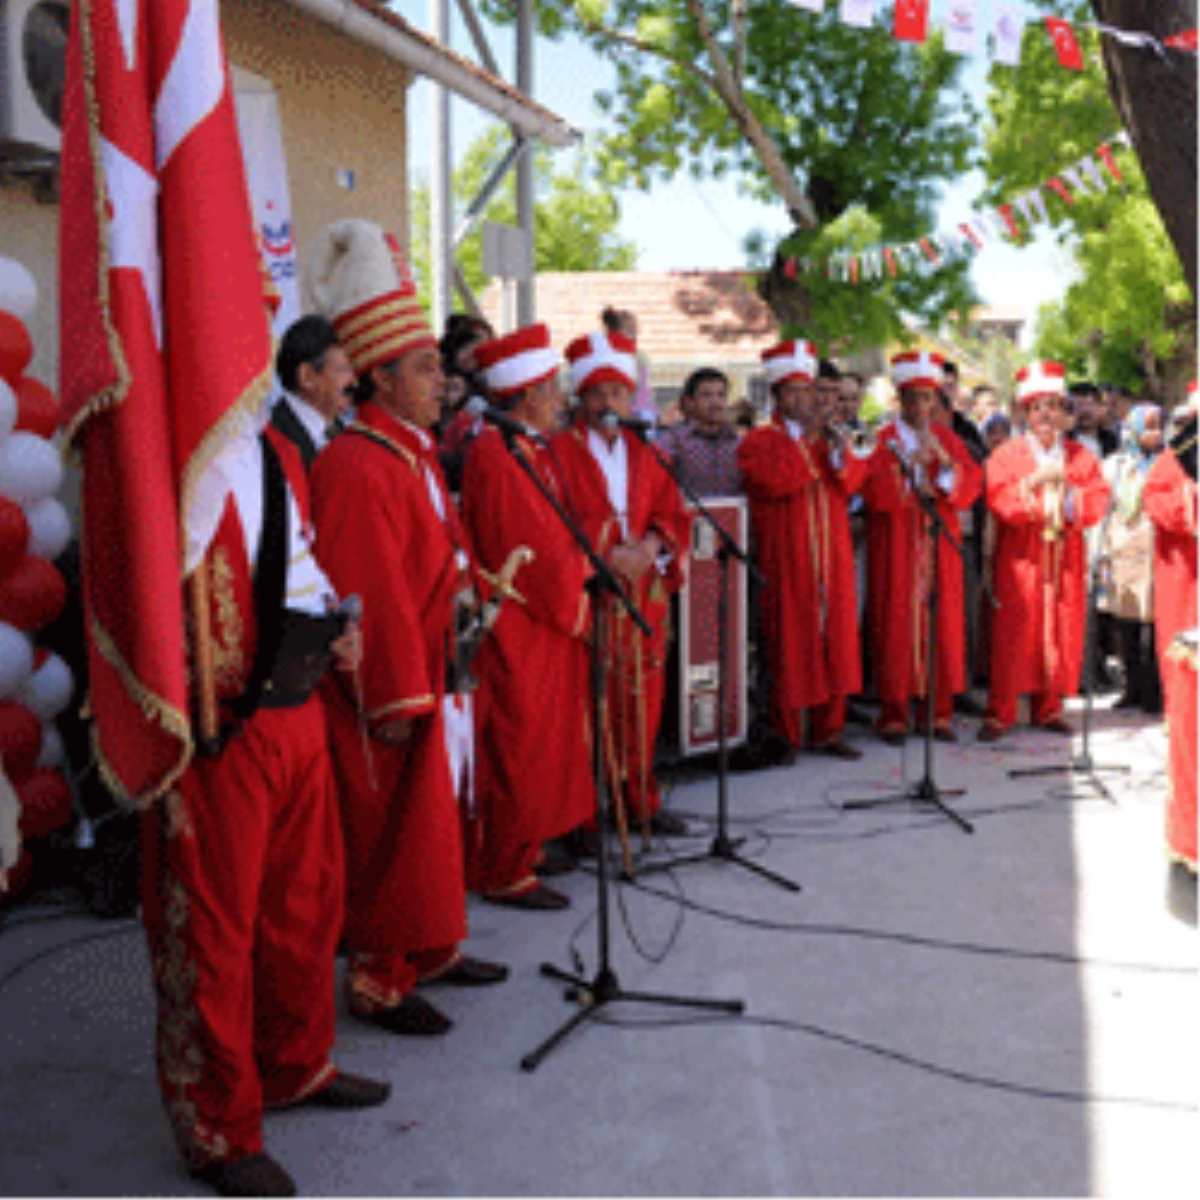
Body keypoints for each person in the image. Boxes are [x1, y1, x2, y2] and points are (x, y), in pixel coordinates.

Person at [143, 420, 391, 1200]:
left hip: (297, 699)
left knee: (305, 902)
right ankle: (219, 1124)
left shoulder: (279, 450)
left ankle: (295, 1062)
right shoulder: (165, 448)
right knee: (215, 927)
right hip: (218, 722)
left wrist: (341, 626)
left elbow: (299, 560)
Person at [308, 220, 508, 1041]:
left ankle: (431, 946)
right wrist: (392, 692)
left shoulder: (415, 451)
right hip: (396, 681)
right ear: (381, 379)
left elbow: (439, 554)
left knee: (433, 822)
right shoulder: (357, 462)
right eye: (426, 369)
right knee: (389, 830)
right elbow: (370, 590)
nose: (444, 382)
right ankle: (381, 979)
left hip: (439, 664)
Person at [458, 324, 592, 909]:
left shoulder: (529, 447)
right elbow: (532, 543)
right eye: (553, 388)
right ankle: (504, 865)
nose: (561, 398)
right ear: (529, 394)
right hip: (520, 619)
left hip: (539, 618)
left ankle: (529, 845)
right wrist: (578, 579)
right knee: (519, 743)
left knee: (542, 742)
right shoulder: (496, 452)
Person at [550, 328, 691, 835]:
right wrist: (609, 555)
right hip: (592, 596)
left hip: (643, 595)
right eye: (600, 393)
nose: (610, 402)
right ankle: (587, 814)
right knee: (591, 707)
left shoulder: (647, 450)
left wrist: (650, 548)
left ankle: (640, 800)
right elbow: (555, 521)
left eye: (618, 393)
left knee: (644, 703)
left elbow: (671, 512)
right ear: (581, 397)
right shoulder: (559, 452)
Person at [737, 345, 866, 761]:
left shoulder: (828, 438)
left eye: (806, 391)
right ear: (776, 396)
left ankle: (830, 730)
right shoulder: (760, 440)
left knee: (836, 640)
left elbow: (848, 482)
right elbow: (774, 483)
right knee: (790, 644)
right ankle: (787, 733)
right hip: (787, 560)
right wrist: (807, 445)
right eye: (792, 392)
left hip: (833, 557)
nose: (803, 400)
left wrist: (830, 447)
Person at [979, 362, 1111, 741]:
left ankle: (1048, 707)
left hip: (1064, 557)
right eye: (1038, 407)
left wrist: (1068, 491)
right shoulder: (1007, 454)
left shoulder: (1079, 455)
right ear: (1024, 411)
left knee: (1058, 631)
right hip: (1021, 558)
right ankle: (1000, 711)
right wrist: (1034, 484)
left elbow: (1098, 501)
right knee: (1014, 633)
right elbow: (1000, 501)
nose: (1046, 415)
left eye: (1054, 406)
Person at [860, 351, 982, 744]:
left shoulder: (947, 438)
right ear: (899, 399)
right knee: (896, 625)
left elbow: (969, 485)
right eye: (912, 398)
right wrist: (907, 471)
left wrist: (944, 465)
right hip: (895, 546)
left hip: (937, 545)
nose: (919, 406)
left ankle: (938, 712)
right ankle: (895, 713)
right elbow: (872, 493)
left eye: (927, 398)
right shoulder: (883, 440)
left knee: (942, 624)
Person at [1099, 402, 1164, 713]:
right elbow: (1104, 509)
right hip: (1122, 549)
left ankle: (1153, 690)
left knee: (1153, 623)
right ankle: (1131, 688)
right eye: (1148, 427)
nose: (1155, 433)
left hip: (1154, 549)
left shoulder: (1168, 463)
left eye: (1158, 426)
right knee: (1125, 624)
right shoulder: (1115, 464)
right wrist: (1101, 553)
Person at [1143, 381, 1200, 693]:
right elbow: (1154, 499)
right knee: (1182, 641)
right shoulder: (1173, 457)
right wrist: (1188, 497)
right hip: (1182, 567)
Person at [270, 314, 357, 469]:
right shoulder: (271, 439)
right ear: (307, 377)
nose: (354, 382)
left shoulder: (346, 433)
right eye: (345, 370)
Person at [655, 367, 743, 497]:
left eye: (721, 395)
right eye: (707, 395)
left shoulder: (737, 442)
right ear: (689, 401)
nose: (716, 401)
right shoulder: (671, 442)